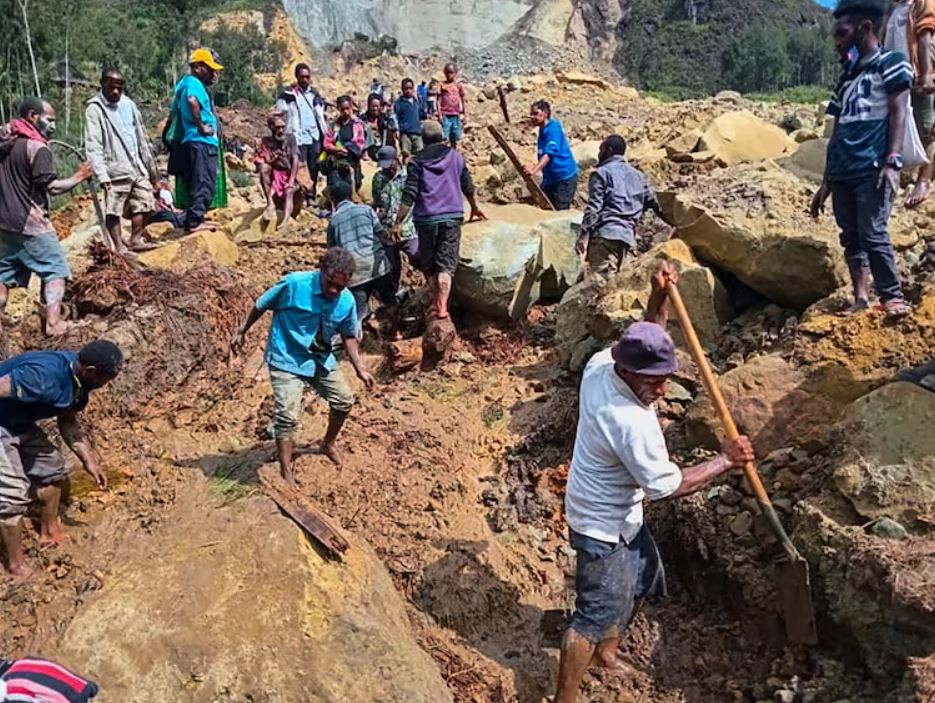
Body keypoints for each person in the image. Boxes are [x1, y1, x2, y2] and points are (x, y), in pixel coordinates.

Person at [554, 266, 756, 703]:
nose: (663, 390)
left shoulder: (603, 362)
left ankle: (607, 656)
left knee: (643, 580)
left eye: (666, 378)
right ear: (628, 374)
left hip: (622, 514)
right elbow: (667, 487)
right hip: (600, 525)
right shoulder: (628, 423)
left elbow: (647, 336)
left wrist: (658, 296)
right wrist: (725, 460)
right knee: (591, 617)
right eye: (653, 381)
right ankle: (565, 697)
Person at [230, 247, 374, 477]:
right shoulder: (294, 284)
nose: (334, 290)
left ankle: (327, 444)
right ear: (321, 271)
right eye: (331, 283)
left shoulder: (346, 300)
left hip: (319, 359)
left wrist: (360, 369)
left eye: (341, 286)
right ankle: (286, 470)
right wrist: (242, 331)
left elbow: (348, 335)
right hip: (287, 356)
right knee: (287, 415)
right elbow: (261, 305)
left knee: (344, 401)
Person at [811, 0, 913, 318]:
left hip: (871, 166)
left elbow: (899, 111)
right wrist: (826, 181)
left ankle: (891, 295)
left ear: (865, 28)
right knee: (851, 236)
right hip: (843, 169)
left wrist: (893, 160)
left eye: (842, 33)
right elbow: (836, 132)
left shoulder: (892, 63)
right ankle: (860, 297)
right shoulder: (845, 80)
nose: (837, 41)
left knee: (873, 232)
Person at [0, 340, 123, 580]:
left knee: (54, 471)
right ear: (90, 371)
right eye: (105, 380)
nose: (105, 385)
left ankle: (49, 532)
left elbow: (68, 422)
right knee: (13, 494)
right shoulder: (43, 375)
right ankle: (15, 565)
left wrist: (90, 461)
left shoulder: (79, 384)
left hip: (20, 424)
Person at [0, 97, 93, 336]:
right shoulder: (37, 148)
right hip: (29, 222)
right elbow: (51, 187)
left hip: (4, 223)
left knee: (4, 274)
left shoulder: (5, 142)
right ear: (33, 116)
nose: (52, 125)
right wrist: (80, 176)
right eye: (49, 120)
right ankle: (53, 324)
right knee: (56, 270)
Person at [394, 120, 486, 319]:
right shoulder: (455, 157)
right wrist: (475, 207)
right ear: (442, 136)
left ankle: (436, 302)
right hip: (452, 216)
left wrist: (398, 222)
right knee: (446, 263)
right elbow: (467, 186)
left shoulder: (416, 162)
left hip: (426, 218)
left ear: (423, 140)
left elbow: (410, 194)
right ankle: (443, 307)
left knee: (429, 263)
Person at [84, 67, 160, 254]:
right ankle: (118, 246)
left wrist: (153, 173)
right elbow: (93, 145)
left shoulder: (129, 105)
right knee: (114, 208)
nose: (116, 91)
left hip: (135, 165)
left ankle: (135, 239)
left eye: (119, 87)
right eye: (112, 87)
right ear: (102, 85)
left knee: (145, 202)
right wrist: (102, 175)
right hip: (114, 168)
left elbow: (141, 138)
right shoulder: (95, 109)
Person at [577, 135, 661, 276]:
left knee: (600, 286)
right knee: (619, 288)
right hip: (628, 239)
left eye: (601, 149)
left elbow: (594, 207)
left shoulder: (600, 174)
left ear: (609, 150)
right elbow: (654, 203)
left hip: (605, 236)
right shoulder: (639, 176)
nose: (598, 154)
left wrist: (583, 236)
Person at [327, 181, 398, 332]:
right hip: (377, 266)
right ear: (351, 195)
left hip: (355, 274)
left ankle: (357, 347)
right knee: (390, 301)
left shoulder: (334, 221)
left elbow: (333, 253)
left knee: (358, 313)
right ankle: (395, 333)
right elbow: (381, 235)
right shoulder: (366, 210)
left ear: (333, 200)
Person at [883, 0, 935, 207]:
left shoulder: (923, 3)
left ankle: (923, 179)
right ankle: (897, 170)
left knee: (926, 127)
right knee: (898, 122)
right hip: (897, 76)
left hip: (916, 74)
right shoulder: (894, 10)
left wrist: (925, 75)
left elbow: (924, 37)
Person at [170, 48, 224, 233]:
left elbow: (173, 112)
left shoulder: (183, 84)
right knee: (204, 181)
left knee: (196, 180)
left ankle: (192, 218)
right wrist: (201, 126)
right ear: (198, 67)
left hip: (191, 140)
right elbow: (192, 100)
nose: (213, 74)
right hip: (201, 140)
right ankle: (194, 222)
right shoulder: (194, 83)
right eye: (210, 69)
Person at [372, 145, 418, 315]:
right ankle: (393, 301)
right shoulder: (378, 179)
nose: (386, 170)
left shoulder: (408, 176)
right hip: (387, 232)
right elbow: (378, 203)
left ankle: (425, 290)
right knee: (391, 267)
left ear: (396, 160)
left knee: (417, 256)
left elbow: (414, 200)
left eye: (389, 165)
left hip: (408, 228)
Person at [276, 63, 328, 203]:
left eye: (307, 77)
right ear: (297, 77)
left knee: (314, 166)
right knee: (299, 167)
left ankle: (311, 196)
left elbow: (321, 114)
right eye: (302, 77)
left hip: (314, 135)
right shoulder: (288, 95)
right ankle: (301, 197)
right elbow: (280, 112)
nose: (305, 79)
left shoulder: (315, 94)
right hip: (298, 136)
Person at [526, 100, 579, 210]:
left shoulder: (553, 129)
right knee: (545, 208)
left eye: (535, 113)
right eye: (531, 114)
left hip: (564, 177)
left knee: (560, 211)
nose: (532, 117)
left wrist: (534, 170)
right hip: (550, 178)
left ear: (545, 113)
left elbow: (549, 154)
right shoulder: (542, 129)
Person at [255, 112, 303, 229]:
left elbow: (295, 159)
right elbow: (265, 160)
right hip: (276, 173)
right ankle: (270, 203)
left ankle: (285, 219)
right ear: (271, 127)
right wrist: (273, 160)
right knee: (264, 169)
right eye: (277, 127)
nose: (281, 130)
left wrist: (291, 181)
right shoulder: (266, 141)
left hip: (290, 172)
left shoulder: (290, 138)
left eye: (282, 127)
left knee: (289, 191)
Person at [323, 95, 366, 194]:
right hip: (336, 162)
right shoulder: (333, 126)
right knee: (335, 188)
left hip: (351, 162)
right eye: (343, 109)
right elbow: (327, 143)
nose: (346, 112)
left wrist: (349, 150)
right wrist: (336, 150)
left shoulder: (357, 125)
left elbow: (360, 143)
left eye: (348, 108)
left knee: (351, 189)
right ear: (338, 109)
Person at [394, 78, 426, 156]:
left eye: (410, 88)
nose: (408, 91)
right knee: (406, 153)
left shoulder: (416, 102)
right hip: (405, 133)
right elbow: (395, 117)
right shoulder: (399, 103)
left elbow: (423, 115)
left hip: (417, 133)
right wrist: (397, 130)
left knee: (420, 152)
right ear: (402, 89)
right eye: (406, 88)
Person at [437, 63, 467, 149]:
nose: (449, 75)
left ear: (455, 73)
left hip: (456, 114)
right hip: (445, 114)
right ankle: (444, 154)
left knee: (455, 136)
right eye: (447, 73)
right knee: (445, 137)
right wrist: (439, 114)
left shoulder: (458, 85)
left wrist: (465, 115)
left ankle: (453, 154)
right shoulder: (442, 85)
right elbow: (438, 101)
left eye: (451, 72)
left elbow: (463, 99)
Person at [363, 94, 397, 161]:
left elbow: (392, 125)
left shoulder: (383, 118)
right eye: (373, 106)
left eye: (377, 106)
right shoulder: (363, 119)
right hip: (369, 148)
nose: (375, 109)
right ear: (368, 106)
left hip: (382, 146)